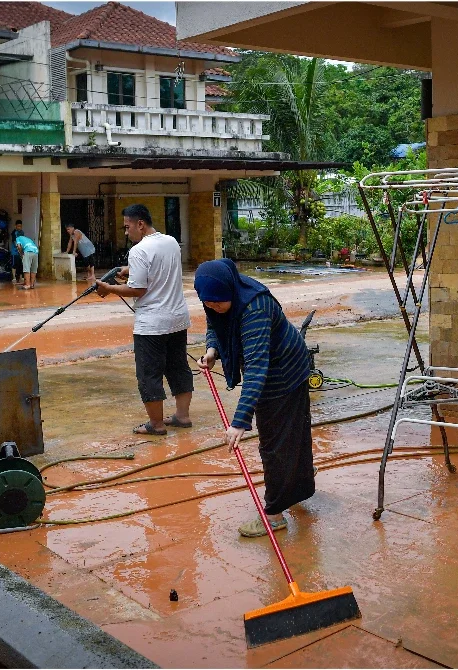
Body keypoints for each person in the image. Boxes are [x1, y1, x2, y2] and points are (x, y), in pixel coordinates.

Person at [195, 258, 314, 538]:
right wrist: (212, 350)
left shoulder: (254, 308)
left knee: (276, 444)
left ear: (230, 292)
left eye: (217, 303)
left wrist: (239, 422)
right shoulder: (222, 295)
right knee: (290, 436)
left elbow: (258, 367)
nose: (212, 307)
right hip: (276, 365)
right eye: (207, 303)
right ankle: (297, 486)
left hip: (284, 371)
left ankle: (273, 516)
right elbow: (215, 324)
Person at [95, 204, 193, 435]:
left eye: (127, 227)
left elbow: (138, 289)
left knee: (149, 374)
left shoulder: (138, 251)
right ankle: (182, 416)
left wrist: (109, 288)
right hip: (178, 319)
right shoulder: (171, 242)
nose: (126, 233)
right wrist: (128, 270)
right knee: (178, 367)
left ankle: (156, 425)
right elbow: (159, 267)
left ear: (140, 224)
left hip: (151, 325)